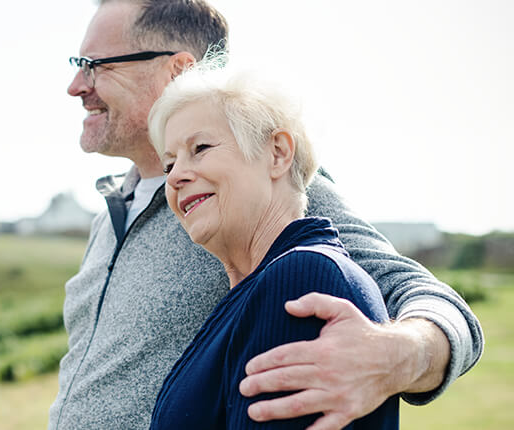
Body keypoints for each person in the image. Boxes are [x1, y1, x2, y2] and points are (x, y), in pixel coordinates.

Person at [49, 1, 483, 429]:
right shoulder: (109, 214)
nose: (75, 85)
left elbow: (426, 298)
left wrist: (397, 355)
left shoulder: (260, 188)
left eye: (95, 65)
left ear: (179, 70)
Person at [147, 58, 398, 429]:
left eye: (200, 148)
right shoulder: (254, 292)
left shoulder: (300, 279)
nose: (177, 176)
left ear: (278, 153)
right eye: (169, 165)